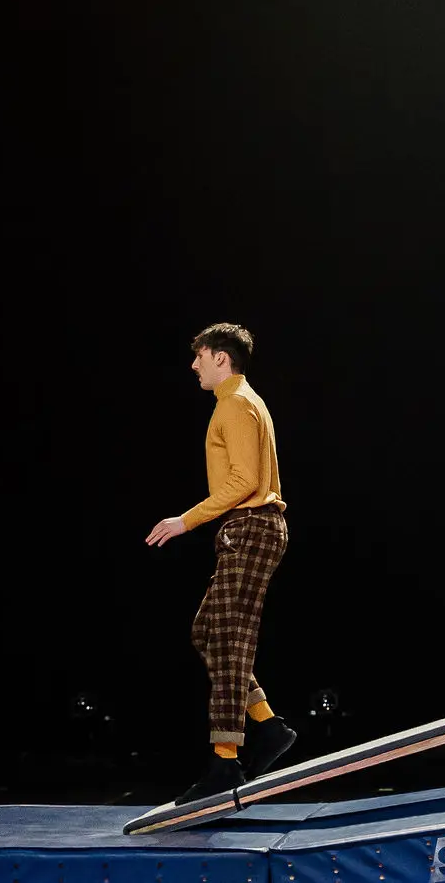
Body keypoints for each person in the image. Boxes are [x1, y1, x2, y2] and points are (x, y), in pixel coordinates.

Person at [144, 322, 299, 802]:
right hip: (249, 529)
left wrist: (183, 521)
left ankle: (225, 762)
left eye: (200, 356)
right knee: (207, 632)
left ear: (220, 358)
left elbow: (243, 482)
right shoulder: (242, 402)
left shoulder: (234, 405)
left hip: (251, 527)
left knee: (230, 644)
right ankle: (268, 726)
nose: (194, 365)